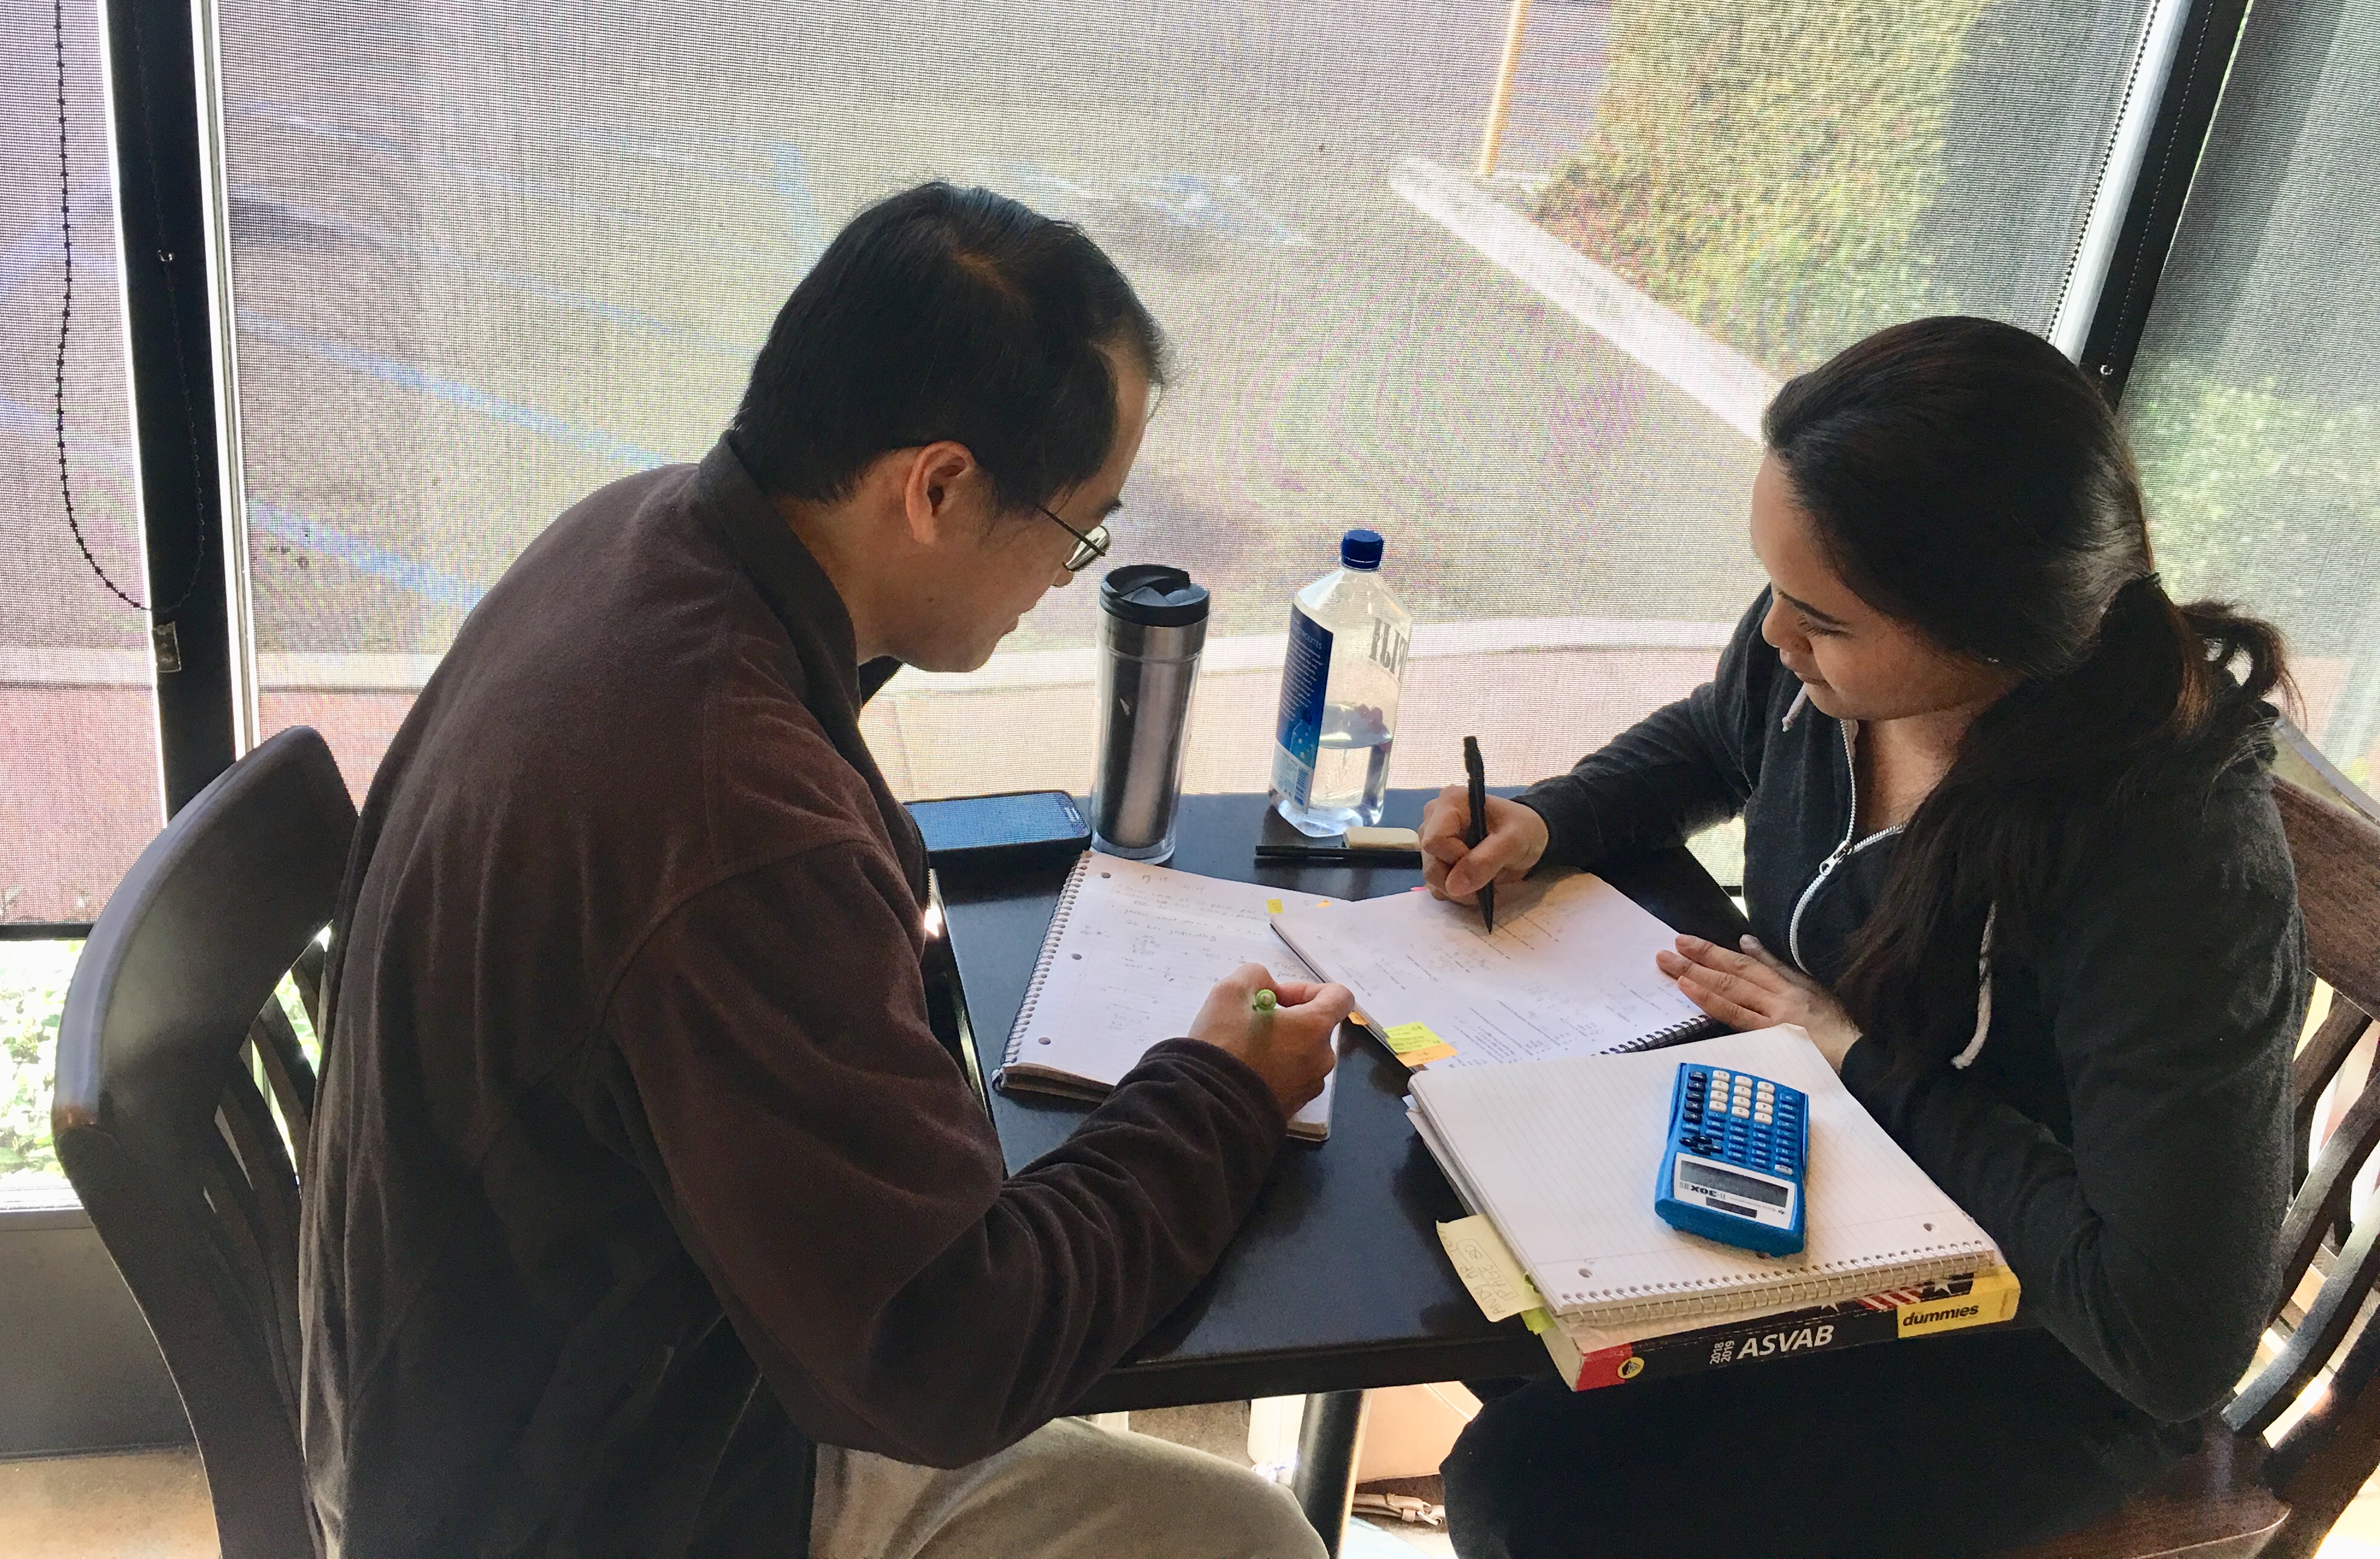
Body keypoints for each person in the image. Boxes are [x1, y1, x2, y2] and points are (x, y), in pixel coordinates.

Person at [299, 184, 1353, 1559]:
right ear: (937, 487)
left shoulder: (636, 537)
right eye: (1075, 528)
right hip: (579, 1493)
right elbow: (947, 1357)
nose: (1059, 577)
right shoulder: (734, 816)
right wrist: (1223, 1093)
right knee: (1250, 1542)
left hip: (488, 1376)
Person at [1417, 318, 2306, 1558]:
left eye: (1822, 620)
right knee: (1454, 1252)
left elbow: (2170, 1331)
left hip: (2031, 1347)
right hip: (1829, 1189)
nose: (1779, 638)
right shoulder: (1821, 662)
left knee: (1535, 1494)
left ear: (1995, 629)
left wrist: (1852, 1057)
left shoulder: (2173, 866)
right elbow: (1715, 734)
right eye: (1775, 590)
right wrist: (1549, 816)